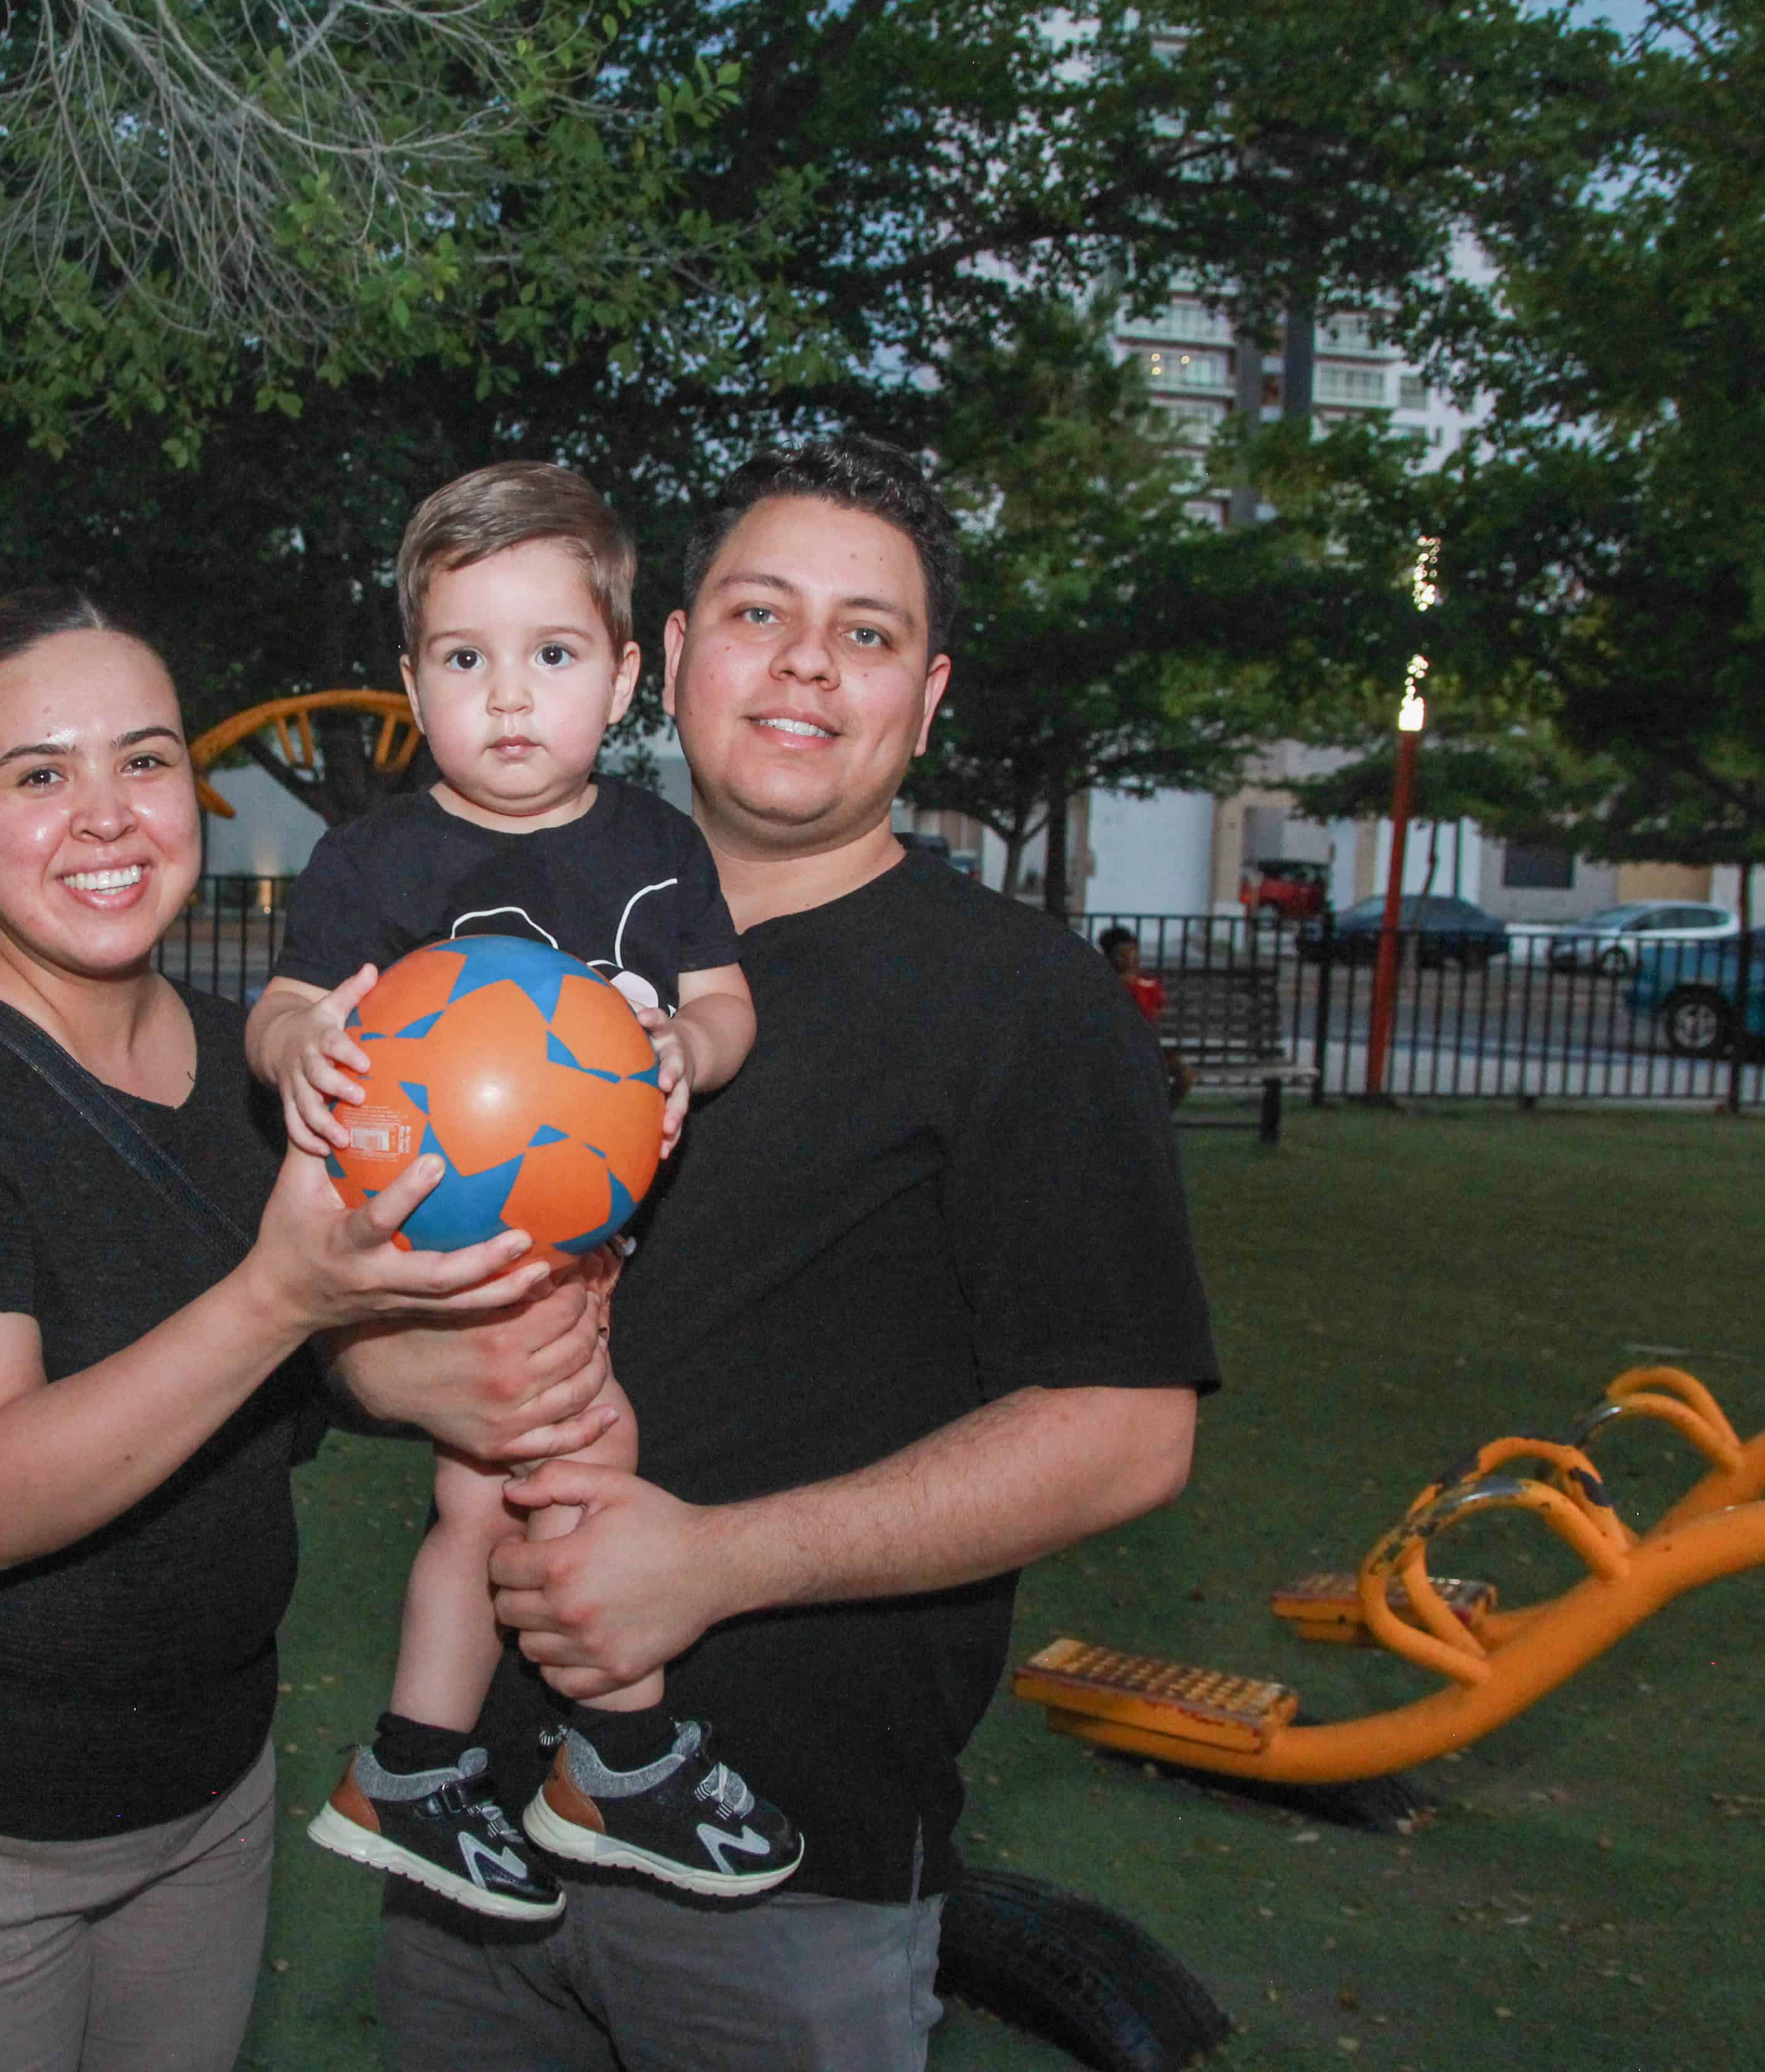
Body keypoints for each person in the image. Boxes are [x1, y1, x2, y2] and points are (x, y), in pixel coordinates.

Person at [376, 437, 1218, 2070]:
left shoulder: (1025, 1010)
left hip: (789, 1881)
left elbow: (1130, 1427)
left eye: (870, 631)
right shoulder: (508, 953)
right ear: (677, 655)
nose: (810, 665)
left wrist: (713, 1564)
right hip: (470, 1831)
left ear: (929, 691)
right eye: (761, 613)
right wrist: (402, 1362)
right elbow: (358, 1307)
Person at [0, 587, 622, 2072]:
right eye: (37, 772)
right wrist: (286, 1292)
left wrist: (448, 1371)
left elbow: (283, 1371)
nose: (106, 816)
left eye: (143, 760)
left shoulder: (251, 1061)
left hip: (200, 1784)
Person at [247, 462, 795, 1919]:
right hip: (444, 1252)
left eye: (549, 655)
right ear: (410, 679)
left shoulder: (653, 847)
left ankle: (420, 1767)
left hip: (583, 1248)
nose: (507, 698)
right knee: (569, 1460)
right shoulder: (374, 857)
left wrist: (685, 1040)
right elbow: (283, 1006)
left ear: (621, 675)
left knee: (483, 1498)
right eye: (462, 657)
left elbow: (729, 1007)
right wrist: (301, 1041)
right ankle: (613, 1751)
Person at [1099, 924, 1194, 1108]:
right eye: (1121, 953)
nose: (1128, 958)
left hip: (1148, 1050)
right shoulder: (1102, 985)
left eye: (1131, 951)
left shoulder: (1149, 985)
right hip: (1115, 1052)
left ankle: (1163, 1118)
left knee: (1186, 1075)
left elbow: (1154, 1019)